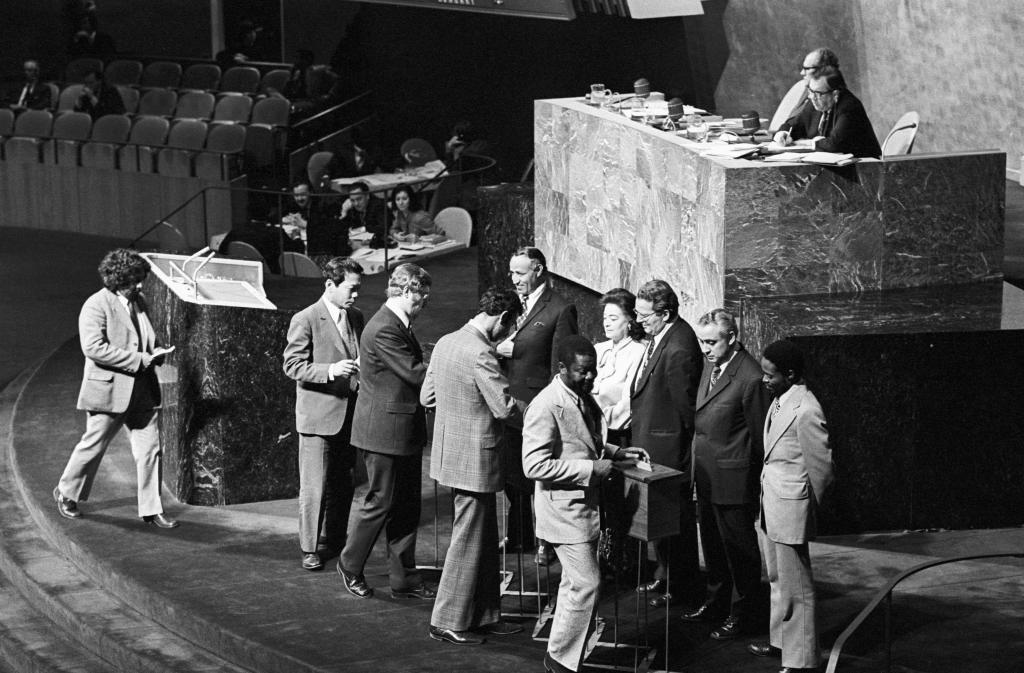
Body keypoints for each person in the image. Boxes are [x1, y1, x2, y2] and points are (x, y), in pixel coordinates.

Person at [522, 335, 647, 673]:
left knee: (574, 583)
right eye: (582, 372)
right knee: (587, 583)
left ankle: (559, 654)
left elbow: (583, 441)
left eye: (593, 371)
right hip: (564, 512)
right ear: (561, 368)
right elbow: (533, 466)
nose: (590, 378)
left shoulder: (580, 398)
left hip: (584, 509)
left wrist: (614, 451)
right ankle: (561, 661)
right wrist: (590, 469)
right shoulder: (546, 405)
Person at [422, 288, 525, 646]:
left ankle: (483, 615)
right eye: (510, 327)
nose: (508, 335)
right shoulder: (481, 353)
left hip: (452, 454)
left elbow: (427, 397)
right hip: (476, 459)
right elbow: (505, 408)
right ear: (502, 318)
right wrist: (544, 416)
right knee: (468, 540)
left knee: (482, 540)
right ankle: (446, 619)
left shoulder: (447, 341)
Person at [53, 249, 178, 529]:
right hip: (110, 392)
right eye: (135, 279)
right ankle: (66, 493)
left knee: (150, 451)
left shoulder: (139, 301)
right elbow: (94, 348)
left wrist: (157, 351)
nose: (140, 285)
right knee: (93, 446)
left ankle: (151, 508)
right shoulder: (96, 305)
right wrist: (140, 360)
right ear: (118, 279)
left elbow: (144, 338)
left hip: (143, 392)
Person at [337, 263, 435, 601]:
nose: (424, 304)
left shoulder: (395, 323)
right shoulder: (384, 328)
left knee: (407, 506)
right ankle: (350, 565)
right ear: (408, 291)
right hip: (383, 432)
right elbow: (415, 373)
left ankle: (404, 578)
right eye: (423, 297)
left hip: (401, 428)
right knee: (380, 502)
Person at [747, 340, 834, 673]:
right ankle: (782, 642)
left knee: (797, 585)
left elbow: (822, 469)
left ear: (791, 374)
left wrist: (806, 509)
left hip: (790, 507)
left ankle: (801, 660)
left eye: (770, 375)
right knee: (777, 578)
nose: (764, 379)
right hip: (771, 503)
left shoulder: (807, 409)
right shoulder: (780, 400)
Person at [684, 309, 769, 639]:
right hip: (706, 474)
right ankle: (716, 602)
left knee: (739, 553)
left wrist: (752, 483)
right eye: (702, 341)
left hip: (733, 480)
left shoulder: (750, 376)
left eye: (711, 341)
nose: (705, 348)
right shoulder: (712, 364)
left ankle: (745, 614)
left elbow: (760, 436)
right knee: (714, 546)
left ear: (731, 338)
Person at [282, 257, 364, 572]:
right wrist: (330, 370)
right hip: (318, 417)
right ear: (330, 285)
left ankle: (336, 539)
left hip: (348, 415)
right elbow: (292, 365)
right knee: (314, 484)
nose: (355, 295)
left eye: (358, 289)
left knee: (343, 483)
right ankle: (310, 547)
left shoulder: (356, 316)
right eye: (351, 289)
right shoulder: (306, 318)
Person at [496, 247, 578, 557]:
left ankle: (547, 541)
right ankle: (519, 536)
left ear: (539, 270)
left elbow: (562, 363)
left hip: (535, 406)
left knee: (538, 479)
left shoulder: (560, 308)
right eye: (512, 272)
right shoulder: (513, 305)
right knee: (512, 475)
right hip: (507, 404)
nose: (514, 279)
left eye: (520, 273)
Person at [629, 279, 703, 608]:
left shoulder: (680, 346)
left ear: (666, 313)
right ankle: (665, 572)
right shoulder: (661, 334)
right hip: (651, 446)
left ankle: (682, 584)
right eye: (637, 313)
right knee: (658, 520)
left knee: (675, 522)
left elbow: (686, 408)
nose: (639, 321)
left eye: (644, 316)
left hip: (669, 452)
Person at [773, 70, 882, 158]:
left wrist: (807, 143)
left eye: (819, 94)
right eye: (810, 91)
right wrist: (783, 133)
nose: (813, 97)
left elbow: (834, 144)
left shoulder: (849, 107)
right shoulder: (816, 101)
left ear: (835, 94)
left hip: (862, 169)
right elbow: (794, 124)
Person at [591, 288, 646, 446]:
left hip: (616, 434)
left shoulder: (638, 352)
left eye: (613, 318)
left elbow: (628, 404)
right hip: (587, 429)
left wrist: (598, 421)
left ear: (630, 321)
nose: (606, 323)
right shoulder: (599, 349)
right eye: (605, 318)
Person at [782, 48, 840, 129]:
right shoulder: (804, 91)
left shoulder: (830, 99)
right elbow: (792, 123)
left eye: (807, 69)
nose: (802, 72)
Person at [338, 181, 387, 247]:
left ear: (367, 196)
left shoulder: (379, 205)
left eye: (359, 199)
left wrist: (364, 229)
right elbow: (342, 230)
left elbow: (383, 228)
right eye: (352, 200)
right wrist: (344, 212)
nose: (356, 204)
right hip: (361, 245)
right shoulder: (351, 207)